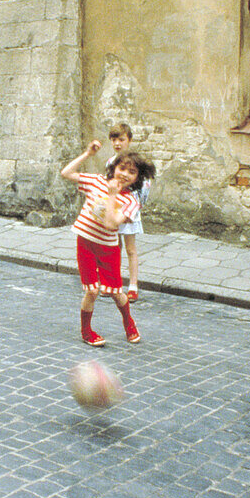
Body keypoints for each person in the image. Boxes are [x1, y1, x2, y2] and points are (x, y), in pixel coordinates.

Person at [61, 140, 155, 347]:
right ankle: (86, 331)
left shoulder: (131, 201)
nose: (124, 174)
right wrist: (87, 154)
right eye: (122, 168)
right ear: (114, 168)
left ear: (137, 178)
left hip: (107, 249)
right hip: (85, 242)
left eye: (131, 172)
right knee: (92, 291)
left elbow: (111, 222)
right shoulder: (96, 181)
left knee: (115, 292)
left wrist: (113, 195)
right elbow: (66, 173)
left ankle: (129, 323)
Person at [106, 123, 154, 302]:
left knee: (131, 249)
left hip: (129, 209)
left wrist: (137, 207)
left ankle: (133, 285)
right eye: (114, 140)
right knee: (113, 247)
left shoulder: (136, 162)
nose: (117, 143)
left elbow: (145, 185)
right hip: (114, 208)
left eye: (121, 139)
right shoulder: (111, 162)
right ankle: (114, 282)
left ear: (129, 140)